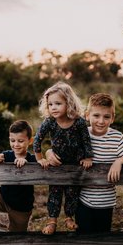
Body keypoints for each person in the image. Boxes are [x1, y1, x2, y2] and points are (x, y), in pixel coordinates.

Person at [46, 93, 123, 233]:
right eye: (96, 116)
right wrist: (49, 152)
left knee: (102, 237)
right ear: (87, 115)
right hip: (83, 200)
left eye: (106, 117)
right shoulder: (79, 133)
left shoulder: (116, 138)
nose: (101, 121)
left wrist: (119, 161)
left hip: (107, 202)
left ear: (112, 118)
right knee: (84, 237)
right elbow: (62, 148)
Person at [33, 81, 94, 235]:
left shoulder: (79, 122)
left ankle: (68, 217)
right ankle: (52, 221)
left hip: (74, 165)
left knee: (72, 193)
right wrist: (40, 158)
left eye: (58, 103)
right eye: (50, 104)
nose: (53, 107)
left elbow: (86, 140)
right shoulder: (50, 122)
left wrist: (88, 157)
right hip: (57, 165)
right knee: (55, 193)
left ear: (69, 103)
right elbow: (37, 140)